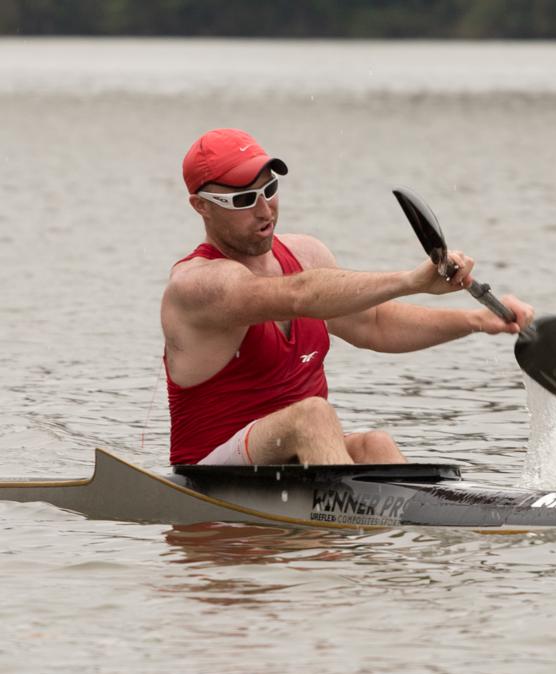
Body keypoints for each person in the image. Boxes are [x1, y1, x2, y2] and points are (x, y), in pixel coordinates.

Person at [162, 128, 533, 466]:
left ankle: (426, 517)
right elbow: (298, 296)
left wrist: (478, 321)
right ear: (201, 206)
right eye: (244, 199)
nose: (264, 210)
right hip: (208, 472)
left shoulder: (306, 254)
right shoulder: (196, 285)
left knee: (375, 445)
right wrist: (411, 280)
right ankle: (336, 520)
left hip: (292, 465)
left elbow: (375, 324)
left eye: (269, 190)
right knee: (313, 415)